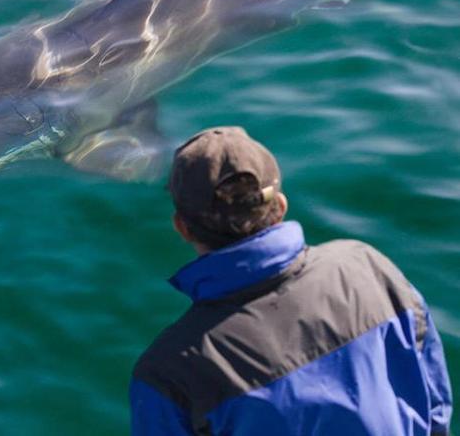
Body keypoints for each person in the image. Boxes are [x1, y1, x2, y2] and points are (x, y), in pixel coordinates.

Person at [130, 126, 453, 436]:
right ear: (280, 205)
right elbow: (433, 395)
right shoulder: (367, 265)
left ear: (182, 227)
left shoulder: (167, 373)